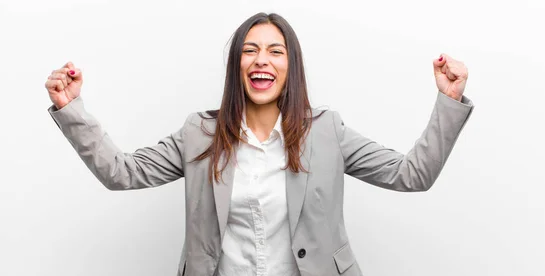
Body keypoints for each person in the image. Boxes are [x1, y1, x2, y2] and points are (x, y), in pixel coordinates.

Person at [46, 12, 474, 276]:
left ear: (291, 67)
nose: (261, 59)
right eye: (250, 50)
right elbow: (123, 173)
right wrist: (72, 109)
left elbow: (411, 175)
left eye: (275, 51)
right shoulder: (200, 133)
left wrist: (448, 100)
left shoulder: (326, 131)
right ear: (238, 66)